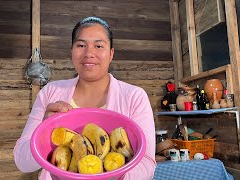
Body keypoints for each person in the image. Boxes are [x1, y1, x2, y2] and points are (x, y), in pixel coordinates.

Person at [14, 16, 156, 180]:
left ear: (111, 54)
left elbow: (146, 164)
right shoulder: (50, 92)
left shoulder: (134, 97)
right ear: (72, 51)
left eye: (98, 46)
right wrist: (43, 132)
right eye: (81, 45)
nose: (89, 53)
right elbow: (21, 162)